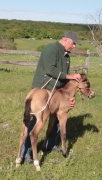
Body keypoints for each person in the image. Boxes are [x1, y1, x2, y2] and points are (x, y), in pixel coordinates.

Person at [21, 31, 81, 162]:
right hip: (42, 89)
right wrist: (70, 76)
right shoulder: (51, 49)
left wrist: (68, 96)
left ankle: (49, 145)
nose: (74, 46)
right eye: (73, 43)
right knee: (33, 120)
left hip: (57, 91)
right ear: (66, 40)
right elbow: (50, 69)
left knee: (59, 117)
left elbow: (63, 78)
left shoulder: (66, 56)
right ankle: (25, 151)